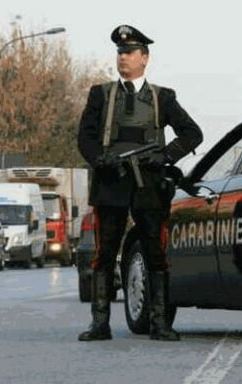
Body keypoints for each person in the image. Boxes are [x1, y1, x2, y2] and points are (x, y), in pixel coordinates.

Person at [77, 25, 203, 342]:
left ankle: (159, 322)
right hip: (111, 180)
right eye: (120, 52)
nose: (123, 58)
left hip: (148, 180)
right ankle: (99, 324)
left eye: (130, 52)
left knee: (155, 252)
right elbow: (85, 137)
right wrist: (99, 159)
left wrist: (165, 157)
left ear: (144, 58)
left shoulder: (162, 97)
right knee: (104, 253)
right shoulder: (101, 94)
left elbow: (192, 133)